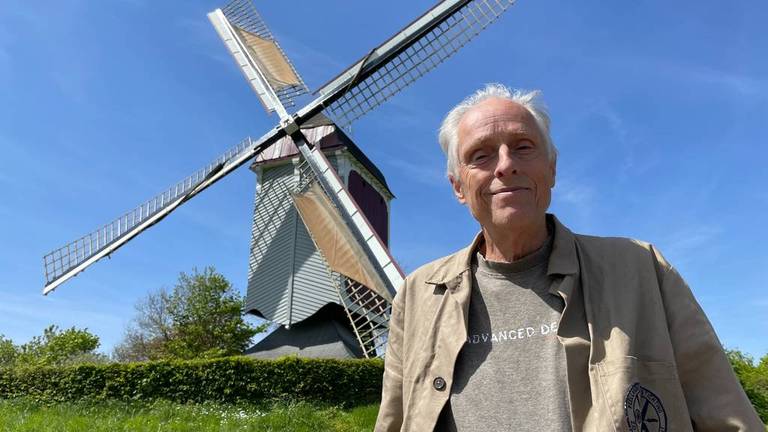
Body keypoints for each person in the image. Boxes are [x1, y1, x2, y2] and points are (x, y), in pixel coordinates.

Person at [374, 84, 763, 431]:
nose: (506, 164)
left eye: (523, 147)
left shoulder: (642, 269)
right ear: (458, 186)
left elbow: (727, 417)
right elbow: (394, 421)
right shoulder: (417, 295)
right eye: (480, 155)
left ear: (552, 168)